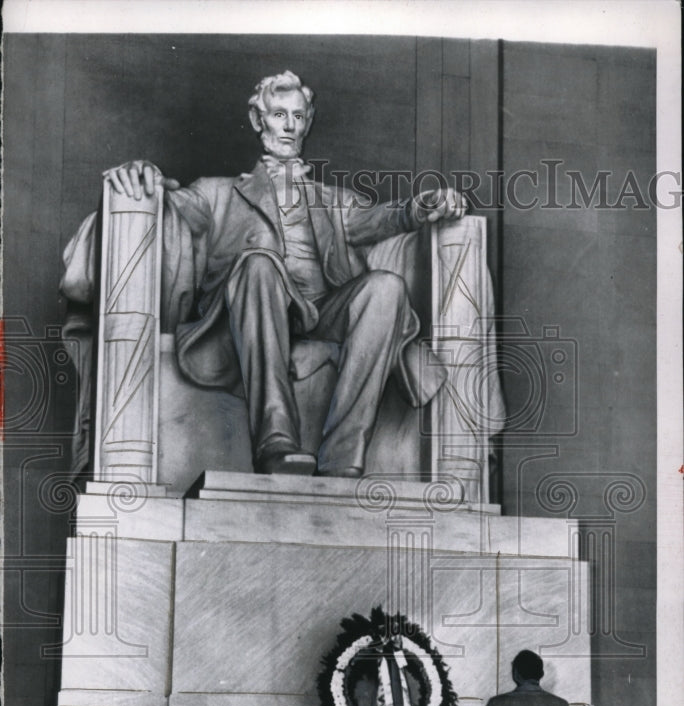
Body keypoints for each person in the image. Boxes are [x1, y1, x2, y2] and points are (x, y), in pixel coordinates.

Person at [93, 70, 468, 478]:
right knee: (259, 262)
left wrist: (420, 207)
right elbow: (171, 206)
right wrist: (145, 177)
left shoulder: (332, 200)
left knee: (386, 288)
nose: (289, 126)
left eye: (298, 116)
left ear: (307, 122)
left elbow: (382, 218)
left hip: (324, 311)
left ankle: (343, 456)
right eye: (278, 114)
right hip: (253, 305)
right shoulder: (217, 192)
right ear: (258, 121)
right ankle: (275, 442)